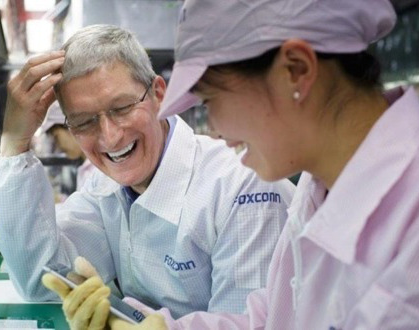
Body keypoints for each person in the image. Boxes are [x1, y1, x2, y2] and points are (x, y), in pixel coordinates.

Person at [47, 0, 419, 329]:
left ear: (296, 71)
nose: (215, 130)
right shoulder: (319, 185)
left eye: (210, 99)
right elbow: (274, 318)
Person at [0, 24, 295, 324]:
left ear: (158, 93)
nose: (110, 137)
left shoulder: (242, 186)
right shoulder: (104, 185)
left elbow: (251, 322)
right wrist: (14, 142)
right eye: (83, 122)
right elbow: (43, 280)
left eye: (122, 107)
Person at [39, 101, 95, 191]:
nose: (57, 147)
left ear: (71, 127)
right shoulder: (86, 168)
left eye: (56, 137)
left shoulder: (97, 170)